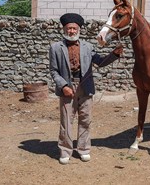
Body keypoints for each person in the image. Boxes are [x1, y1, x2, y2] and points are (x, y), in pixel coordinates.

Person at [49, 13, 123, 165]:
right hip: (67, 88)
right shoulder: (55, 47)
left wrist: (114, 55)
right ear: (64, 29)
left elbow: (100, 62)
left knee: (85, 119)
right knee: (66, 121)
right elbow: (53, 71)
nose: (71, 31)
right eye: (69, 28)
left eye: (74, 28)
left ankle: (83, 149)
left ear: (79, 29)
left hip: (85, 87)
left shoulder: (88, 47)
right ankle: (65, 151)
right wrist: (63, 86)